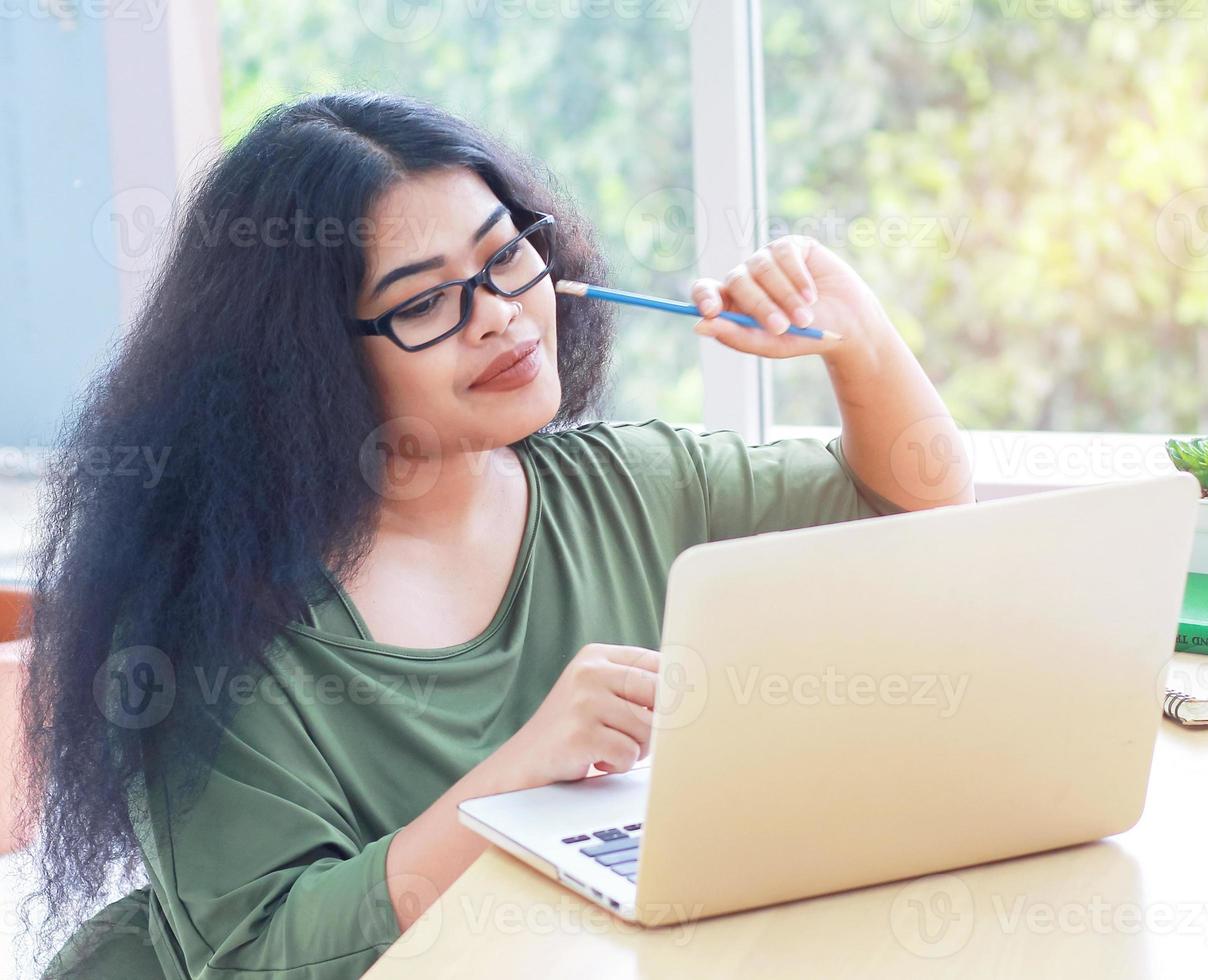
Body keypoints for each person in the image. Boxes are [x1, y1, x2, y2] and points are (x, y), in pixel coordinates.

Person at [24, 91, 974, 979]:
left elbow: (914, 521)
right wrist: (514, 784)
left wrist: (863, 339)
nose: (503, 316)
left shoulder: (628, 487)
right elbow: (259, 955)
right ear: (308, 361)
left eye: (506, 256)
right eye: (425, 302)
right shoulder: (214, 618)